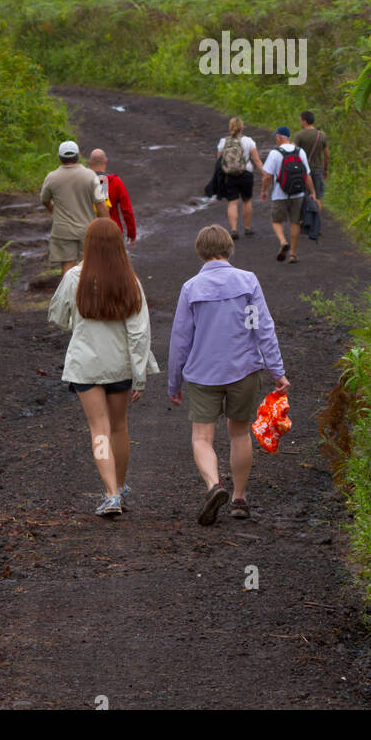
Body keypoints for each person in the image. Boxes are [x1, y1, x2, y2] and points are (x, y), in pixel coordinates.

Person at [168, 225, 288, 525]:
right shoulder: (247, 282)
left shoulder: (191, 288)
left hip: (202, 373)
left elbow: (181, 338)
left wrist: (174, 381)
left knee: (202, 437)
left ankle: (213, 486)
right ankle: (239, 497)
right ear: (228, 248)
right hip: (243, 370)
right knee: (239, 432)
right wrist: (277, 371)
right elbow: (263, 328)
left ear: (200, 251)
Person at [48, 218, 158, 517]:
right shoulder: (129, 280)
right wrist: (140, 376)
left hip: (86, 365)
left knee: (99, 430)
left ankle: (110, 493)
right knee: (119, 427)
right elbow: (139, 333)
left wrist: (78, 324)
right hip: (120, 366)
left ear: (89, 244)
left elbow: (58, 316)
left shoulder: (74, 277)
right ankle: (119, 489)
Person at [41, 140, 109, 275]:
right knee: (89, 264)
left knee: (67, 265)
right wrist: (107, 226)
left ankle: (68, 295)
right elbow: (100, 204)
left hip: (63, 229)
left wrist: (51, 207)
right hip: (87, 229)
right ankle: (87, 294)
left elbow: (44, 199)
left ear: (59, 157)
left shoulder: (52, 177)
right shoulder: (89, 175)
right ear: (78, 156)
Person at [260, 127, 321, 263]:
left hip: (279, 193)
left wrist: (263, 190)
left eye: (276, 136)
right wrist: (313, 192)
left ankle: (283, 242)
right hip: (298, 193)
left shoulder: (275, 153)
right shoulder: (300, 152)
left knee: (276, 221)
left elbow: (267, 176)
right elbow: (306, 175)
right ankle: (293, 254)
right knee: (295, 222)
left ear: (280, 137)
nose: (276, 138)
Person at [216, 117, 265, 239]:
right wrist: (265, 173)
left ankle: (234, 230)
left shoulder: (223, 142)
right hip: (246, 173)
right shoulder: (249, 141)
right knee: (247, 200)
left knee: (232, 202)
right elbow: (257, 160)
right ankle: (247, 228)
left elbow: (219, 161)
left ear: (230, 127)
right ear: (242, 128)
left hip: (230, 175)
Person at [88, 149, 137, 244]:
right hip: (113, 231)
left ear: (90, 162)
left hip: (91, 232)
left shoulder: (85, 182)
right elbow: (127, 210)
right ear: (106, 161)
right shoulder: (115, 182)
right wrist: (132, 233)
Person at [295, 111, 330, 200]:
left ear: (305, 121)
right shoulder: (322, 135)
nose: (300, 122)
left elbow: (294, 152)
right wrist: (325, 169)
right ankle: (317, 213)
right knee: (317, 198)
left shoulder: (299, 135)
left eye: (301, 120)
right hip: (318, 170)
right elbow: (327, 155)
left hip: (304, 171)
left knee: (304, 199)